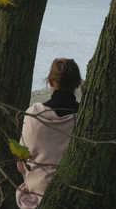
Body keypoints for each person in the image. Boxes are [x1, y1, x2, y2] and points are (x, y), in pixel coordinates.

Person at [16, 58, 82, 209]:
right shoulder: (85, 118)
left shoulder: (33, 113)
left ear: (51, 82)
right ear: (78, 84)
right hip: (74, 194)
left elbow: (21, 162)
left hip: (37, 192)